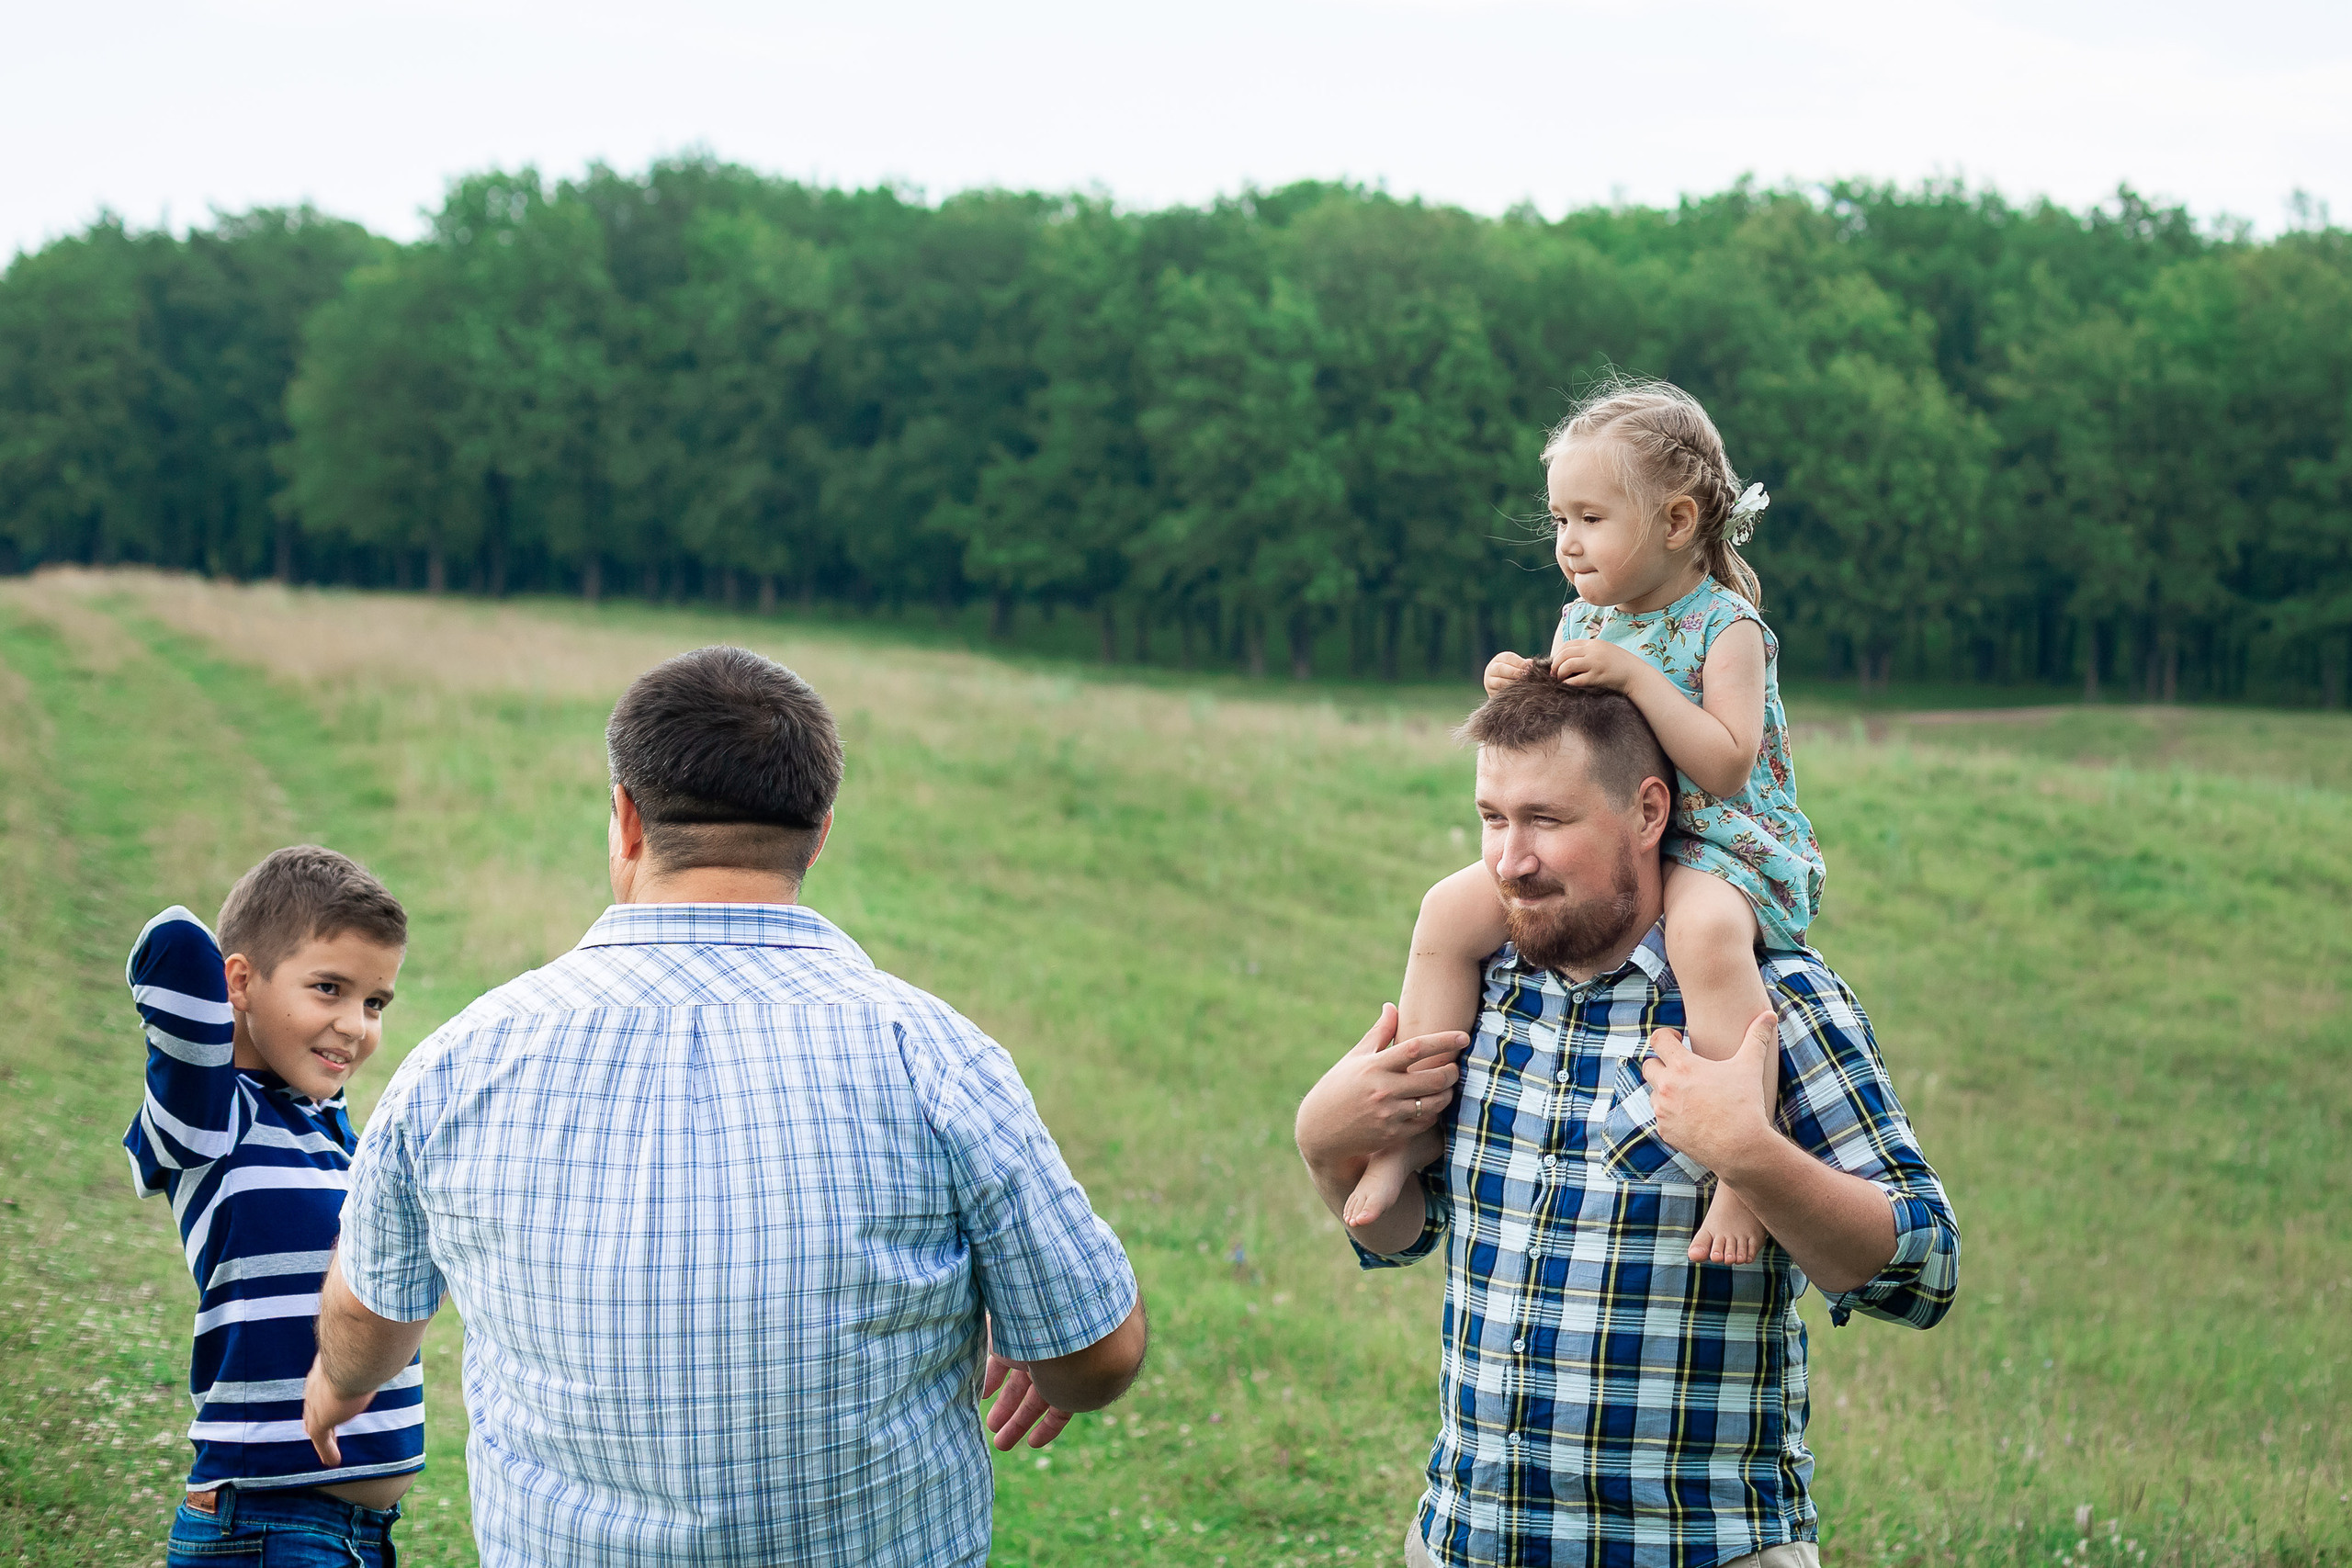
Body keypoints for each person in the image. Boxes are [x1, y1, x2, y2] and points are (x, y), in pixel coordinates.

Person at [300, 644, 1147, 1567]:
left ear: (626, 816)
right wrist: (1038, 1335)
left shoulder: (462, 1061)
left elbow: (365, 1325)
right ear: (819, 832)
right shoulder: (935, 1056)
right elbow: (1094, 1360)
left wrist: (339, 1384)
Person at [1297, 667, 1958, 1568]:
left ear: (1649, 813)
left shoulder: (1775, 1001)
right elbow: (1404, 1237)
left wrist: (1750, 1157)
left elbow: (1924, 1274)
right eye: (1493, 819)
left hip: (1700, 1549)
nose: (1509, 860)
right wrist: (1325, 1151)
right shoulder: (1480, 997)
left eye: (1547, 821)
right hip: (1465, 1541)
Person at [1348, 378, 1826, 1267]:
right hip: (1615, 836)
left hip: (1721, 844)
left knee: (1709, 937)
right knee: (1448, 912)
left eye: (1591, 519)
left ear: (1677, 522)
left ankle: (1742, 1170)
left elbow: (1725, 764)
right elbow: (1579, 734)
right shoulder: (1587, 615)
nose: (1568, 543)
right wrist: (1522, 683)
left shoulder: (1728, 627)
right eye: (1560, 520)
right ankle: (1412, 1129)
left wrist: (1636, 677)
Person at [124, 848, 421, 1568]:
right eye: (328, 988)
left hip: (357, 1537)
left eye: (374, 1001)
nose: (355, 1024)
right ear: (239, 981)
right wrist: (238, 1000)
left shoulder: (333, 1131)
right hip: (265, 1525)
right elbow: (174, 943)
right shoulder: (212, 1120)